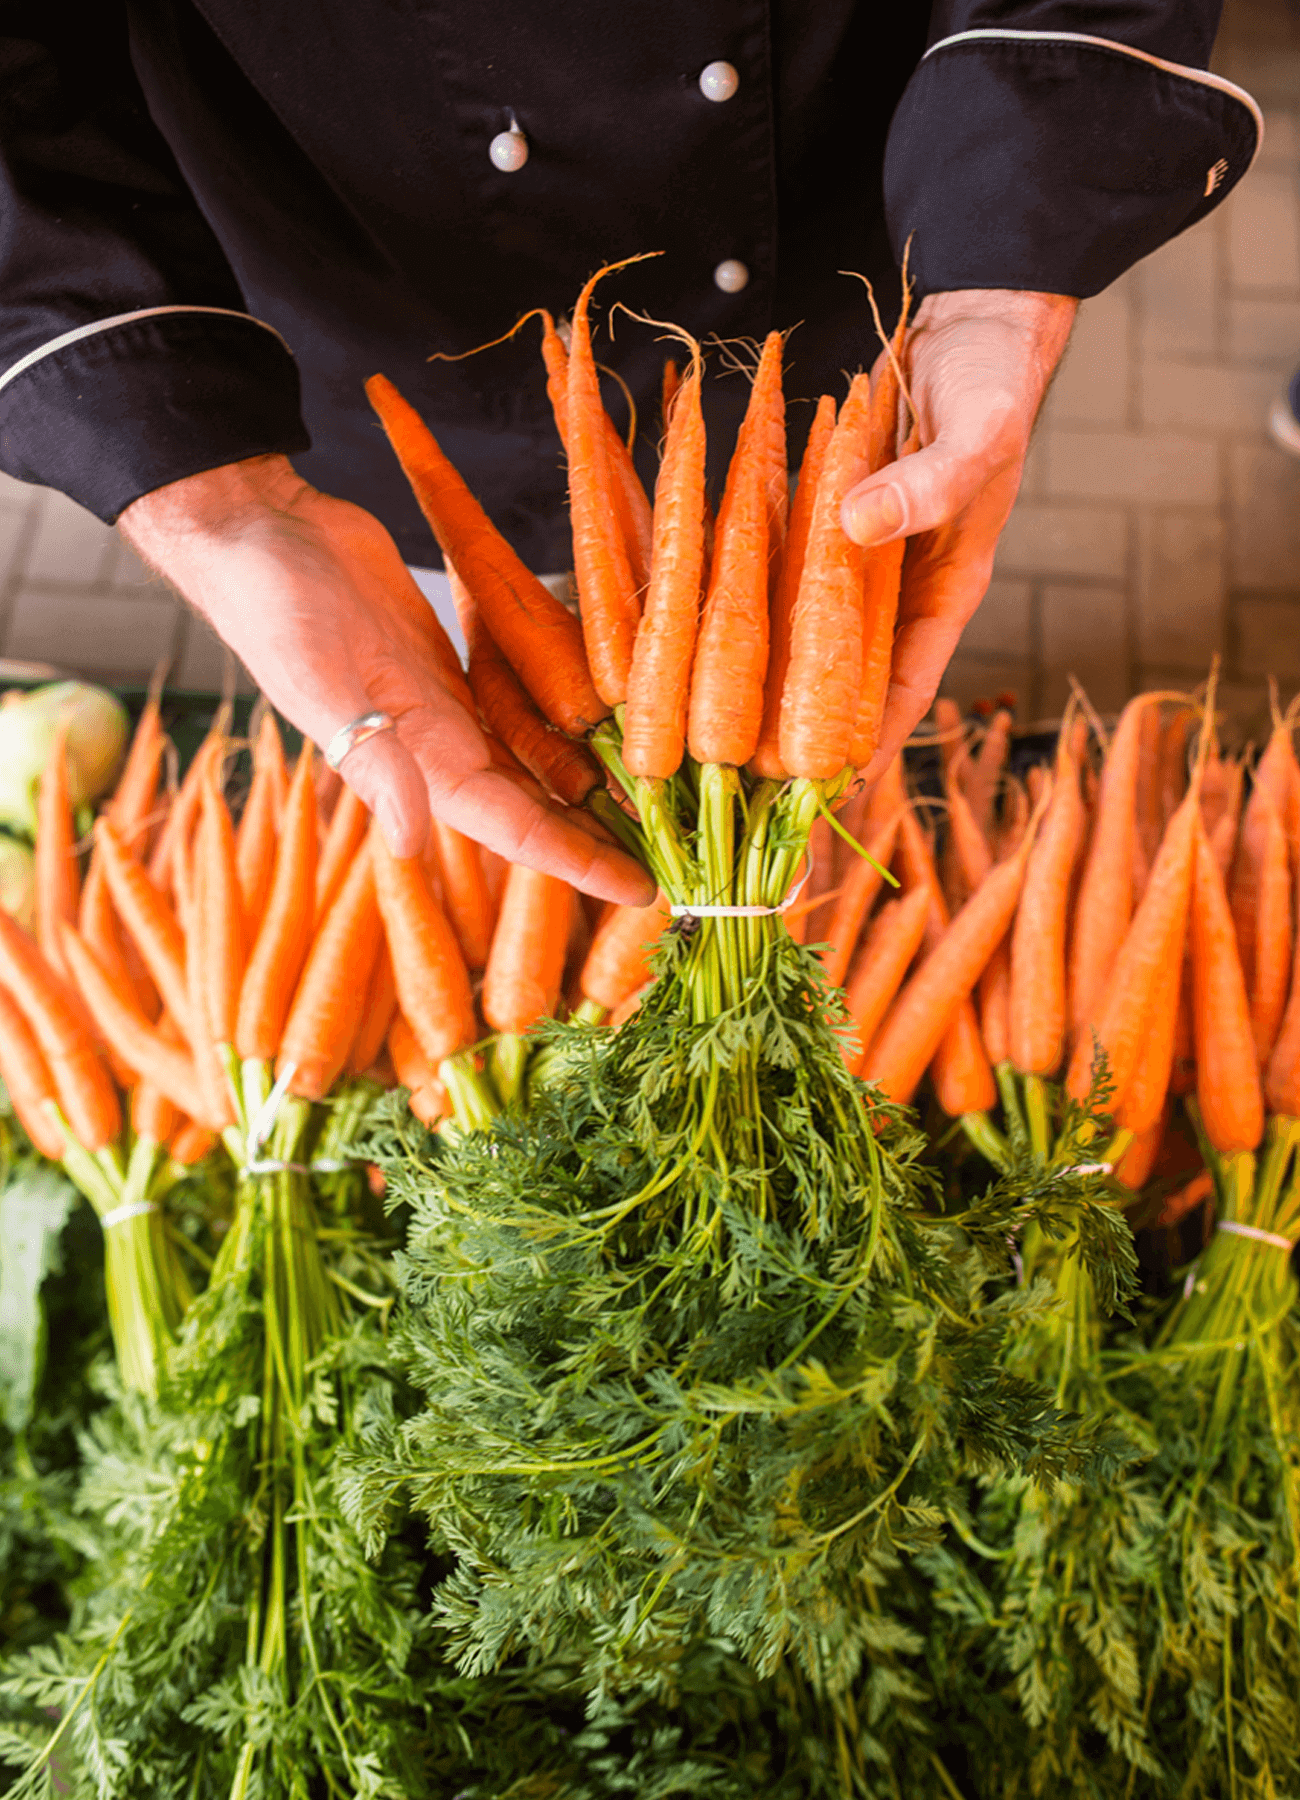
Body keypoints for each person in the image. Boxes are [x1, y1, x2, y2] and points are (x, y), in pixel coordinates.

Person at [0, 3, 1260, 905]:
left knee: (842, 654)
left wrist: (1003, 271)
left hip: (849, 279)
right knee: (463, 713)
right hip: (372, 308)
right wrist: (212, 500)